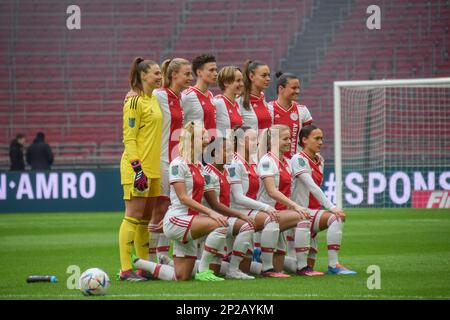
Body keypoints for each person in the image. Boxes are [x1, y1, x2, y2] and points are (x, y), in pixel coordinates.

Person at [163, 121, 229, 281]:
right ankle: (203, 269)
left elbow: (209, 198)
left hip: (190, 221)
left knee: (180, 277)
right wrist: (211, 213)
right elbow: (183, 198)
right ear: (192, 140)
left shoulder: (199, 166)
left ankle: (143, 264)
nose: (207, 141)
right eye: (203, 138)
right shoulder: (178, 164)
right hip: (177, 220)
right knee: (221, 225)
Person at [118, 57, 163, 281]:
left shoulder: (153, 99)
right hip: (137, 168)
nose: (159, 77)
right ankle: (126, 269)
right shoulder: (134, 101)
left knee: (145, 220)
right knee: (132, 217)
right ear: (143, 75)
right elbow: (130, 138)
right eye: (155, 73)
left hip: (153, 169)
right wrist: (137, 169)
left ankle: (144, 267)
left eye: (160, 73)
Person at [290, 124, 357, 275]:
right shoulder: (298, 159)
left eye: (322, 138)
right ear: (304, 140)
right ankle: (333, 265)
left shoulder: (320, 159)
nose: (321, 142)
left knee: (307, 267)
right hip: (299, 213)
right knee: (336, 217)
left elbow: (316, 189)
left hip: (313, 213)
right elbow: (312, 186)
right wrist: (331, 207)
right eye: (317, 138)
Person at [147, 58, 193, 265]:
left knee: (168, 208)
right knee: (158, 209)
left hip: (175, 159)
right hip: (161, 159)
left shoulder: (181, 97)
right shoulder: (159, 95)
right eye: (187, 74)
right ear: (174, 75)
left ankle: (162, 256)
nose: (190, 78)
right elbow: (141, 99)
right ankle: (149, 259)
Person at [256, 124, 315, 276]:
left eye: (290, 138)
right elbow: (271, 191)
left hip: (280, 213)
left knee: (279, 266)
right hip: (266, 212)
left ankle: (263, 262)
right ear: (274, 140)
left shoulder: (287, 162)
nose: (289, 142)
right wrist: (296, 206)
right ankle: (301, 267)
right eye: (285, 139)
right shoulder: (267, 161)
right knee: (303, 217)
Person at [203, 137, 255, 280]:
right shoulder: (208, 172)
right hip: (211, 220)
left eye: (232, 150)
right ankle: (233, 269)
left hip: (223, 219)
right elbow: (215, 205)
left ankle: (234, 269)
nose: (231, 154)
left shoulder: (226, 171)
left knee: (216, 270)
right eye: (227, 150)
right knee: (246, 226)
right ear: (214, 152)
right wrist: (240, 215)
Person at [268, 72, 313, 159]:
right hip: (275, 162)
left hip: (296, 165)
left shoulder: (302, 110)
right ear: (281, 89)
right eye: (294, 88)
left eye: (298, 88)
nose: (297, 91)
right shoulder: (268, 109)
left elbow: (309, 139)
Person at [182, 54, 218, 138]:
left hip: (211, 148)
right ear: (199, 72)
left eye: (216, 70)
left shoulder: (210, 95)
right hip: (196, 148)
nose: (215, 73)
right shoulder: (188, 96)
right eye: (211, 70)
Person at [238, 60, 273, 134]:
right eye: (264, 75)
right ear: (251, 76)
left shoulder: (263, 99)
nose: (268, 79)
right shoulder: (239, 100)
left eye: (268, 75)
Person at [213, 66, 244, 137]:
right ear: (226, 83)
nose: (242, 84)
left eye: (242, 80)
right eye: (238, 81)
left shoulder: (237, 104)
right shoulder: (217, 102)